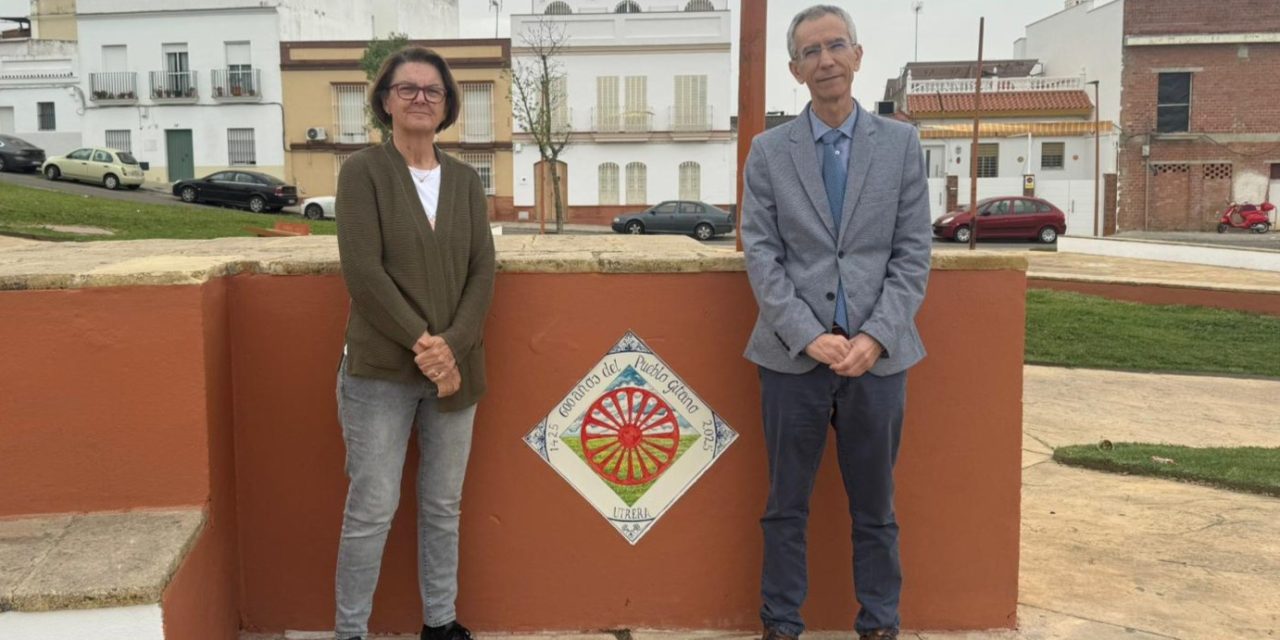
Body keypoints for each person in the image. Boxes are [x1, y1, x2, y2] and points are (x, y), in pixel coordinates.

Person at [740, 5, 932, 640]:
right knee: (784, 507)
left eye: (835, 46)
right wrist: (806, 333)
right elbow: (762, 254)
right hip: (792, 359)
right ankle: (781, 623)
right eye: (810, 52)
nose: (825, 60)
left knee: (876, 508)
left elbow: (912, 253)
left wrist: (876, 337)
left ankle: (879, 623)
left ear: (857, 55)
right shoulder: (768, 152)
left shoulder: (901, 144)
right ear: (795, 70)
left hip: (878, 361)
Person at [332, 45, 495, 640]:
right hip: (380, 373)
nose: (422, 99)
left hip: (456, 372)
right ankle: (350, 632)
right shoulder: (361, 173)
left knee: (443, 508)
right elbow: (363, 272)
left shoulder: (464, 180)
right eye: (409, 89)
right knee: (372, 511)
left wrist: (450, 346)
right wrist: (424, 344)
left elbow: (483, 269)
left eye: (433, 91)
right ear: (384, 101)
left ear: (448, 104)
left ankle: (440, 621)